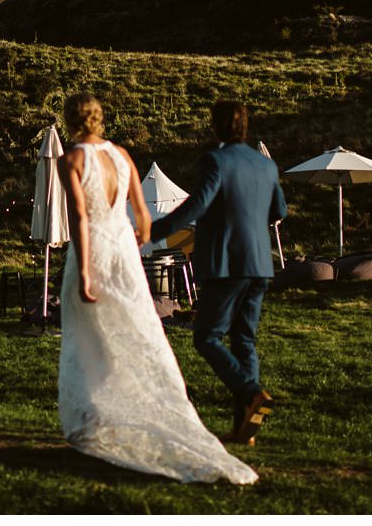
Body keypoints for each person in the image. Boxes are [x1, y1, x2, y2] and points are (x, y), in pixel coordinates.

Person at [56, 93, 256, 484]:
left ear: (71, 120)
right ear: (99, 118)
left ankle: (98, 419)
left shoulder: (71, 160)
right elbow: (143, 217)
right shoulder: (122, 156)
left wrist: (83, 275)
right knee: (137, 331)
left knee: (88, 338)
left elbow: (79, 217)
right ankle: (139, 410)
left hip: (93, 251)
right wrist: (134, 237)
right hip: (125, 253)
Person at [150, 100, 287, 452]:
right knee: (244, 341)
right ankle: (245, 426)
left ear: (216, 126)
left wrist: (157, 230)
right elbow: (279, 210)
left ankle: (251, 392)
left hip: (226, 262)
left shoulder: (215, 160)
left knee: (207, 337)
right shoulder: (266, 165)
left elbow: (200, 203)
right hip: (260, 264)